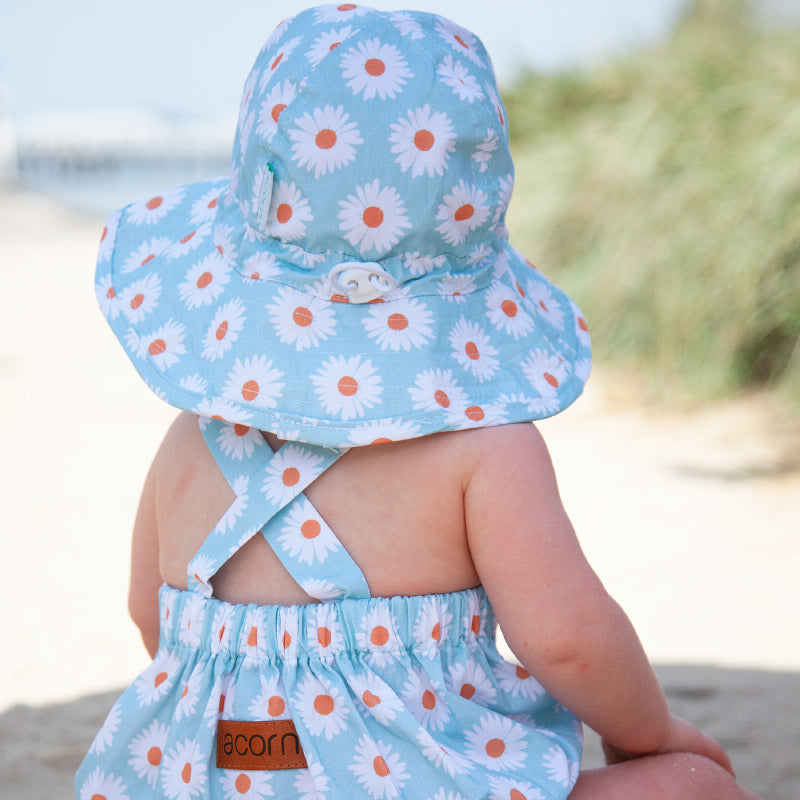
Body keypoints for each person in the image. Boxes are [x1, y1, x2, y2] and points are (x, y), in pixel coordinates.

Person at [76, 5, 764, 799]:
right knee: (688, 786)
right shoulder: (484, 447)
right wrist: (656, 735)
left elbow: (150, 617)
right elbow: (569, 643)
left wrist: (262, 740)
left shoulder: (190, 439)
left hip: (211, 771)